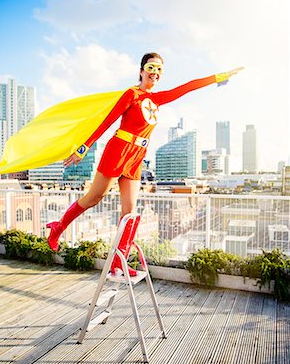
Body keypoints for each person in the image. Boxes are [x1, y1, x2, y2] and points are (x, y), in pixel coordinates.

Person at [47, 52, 243, 275]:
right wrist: (83, 149)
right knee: (94, 197)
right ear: (141, 71)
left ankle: (119, 261)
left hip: (136, 156)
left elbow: (188, 87)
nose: (155, 73)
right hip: (118, 149)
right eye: (151, 67)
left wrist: (219, 77)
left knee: (129, 212)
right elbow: (107, 121)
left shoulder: (157, 100)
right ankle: (58, 227)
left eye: (159, 69)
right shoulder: (131, 94)